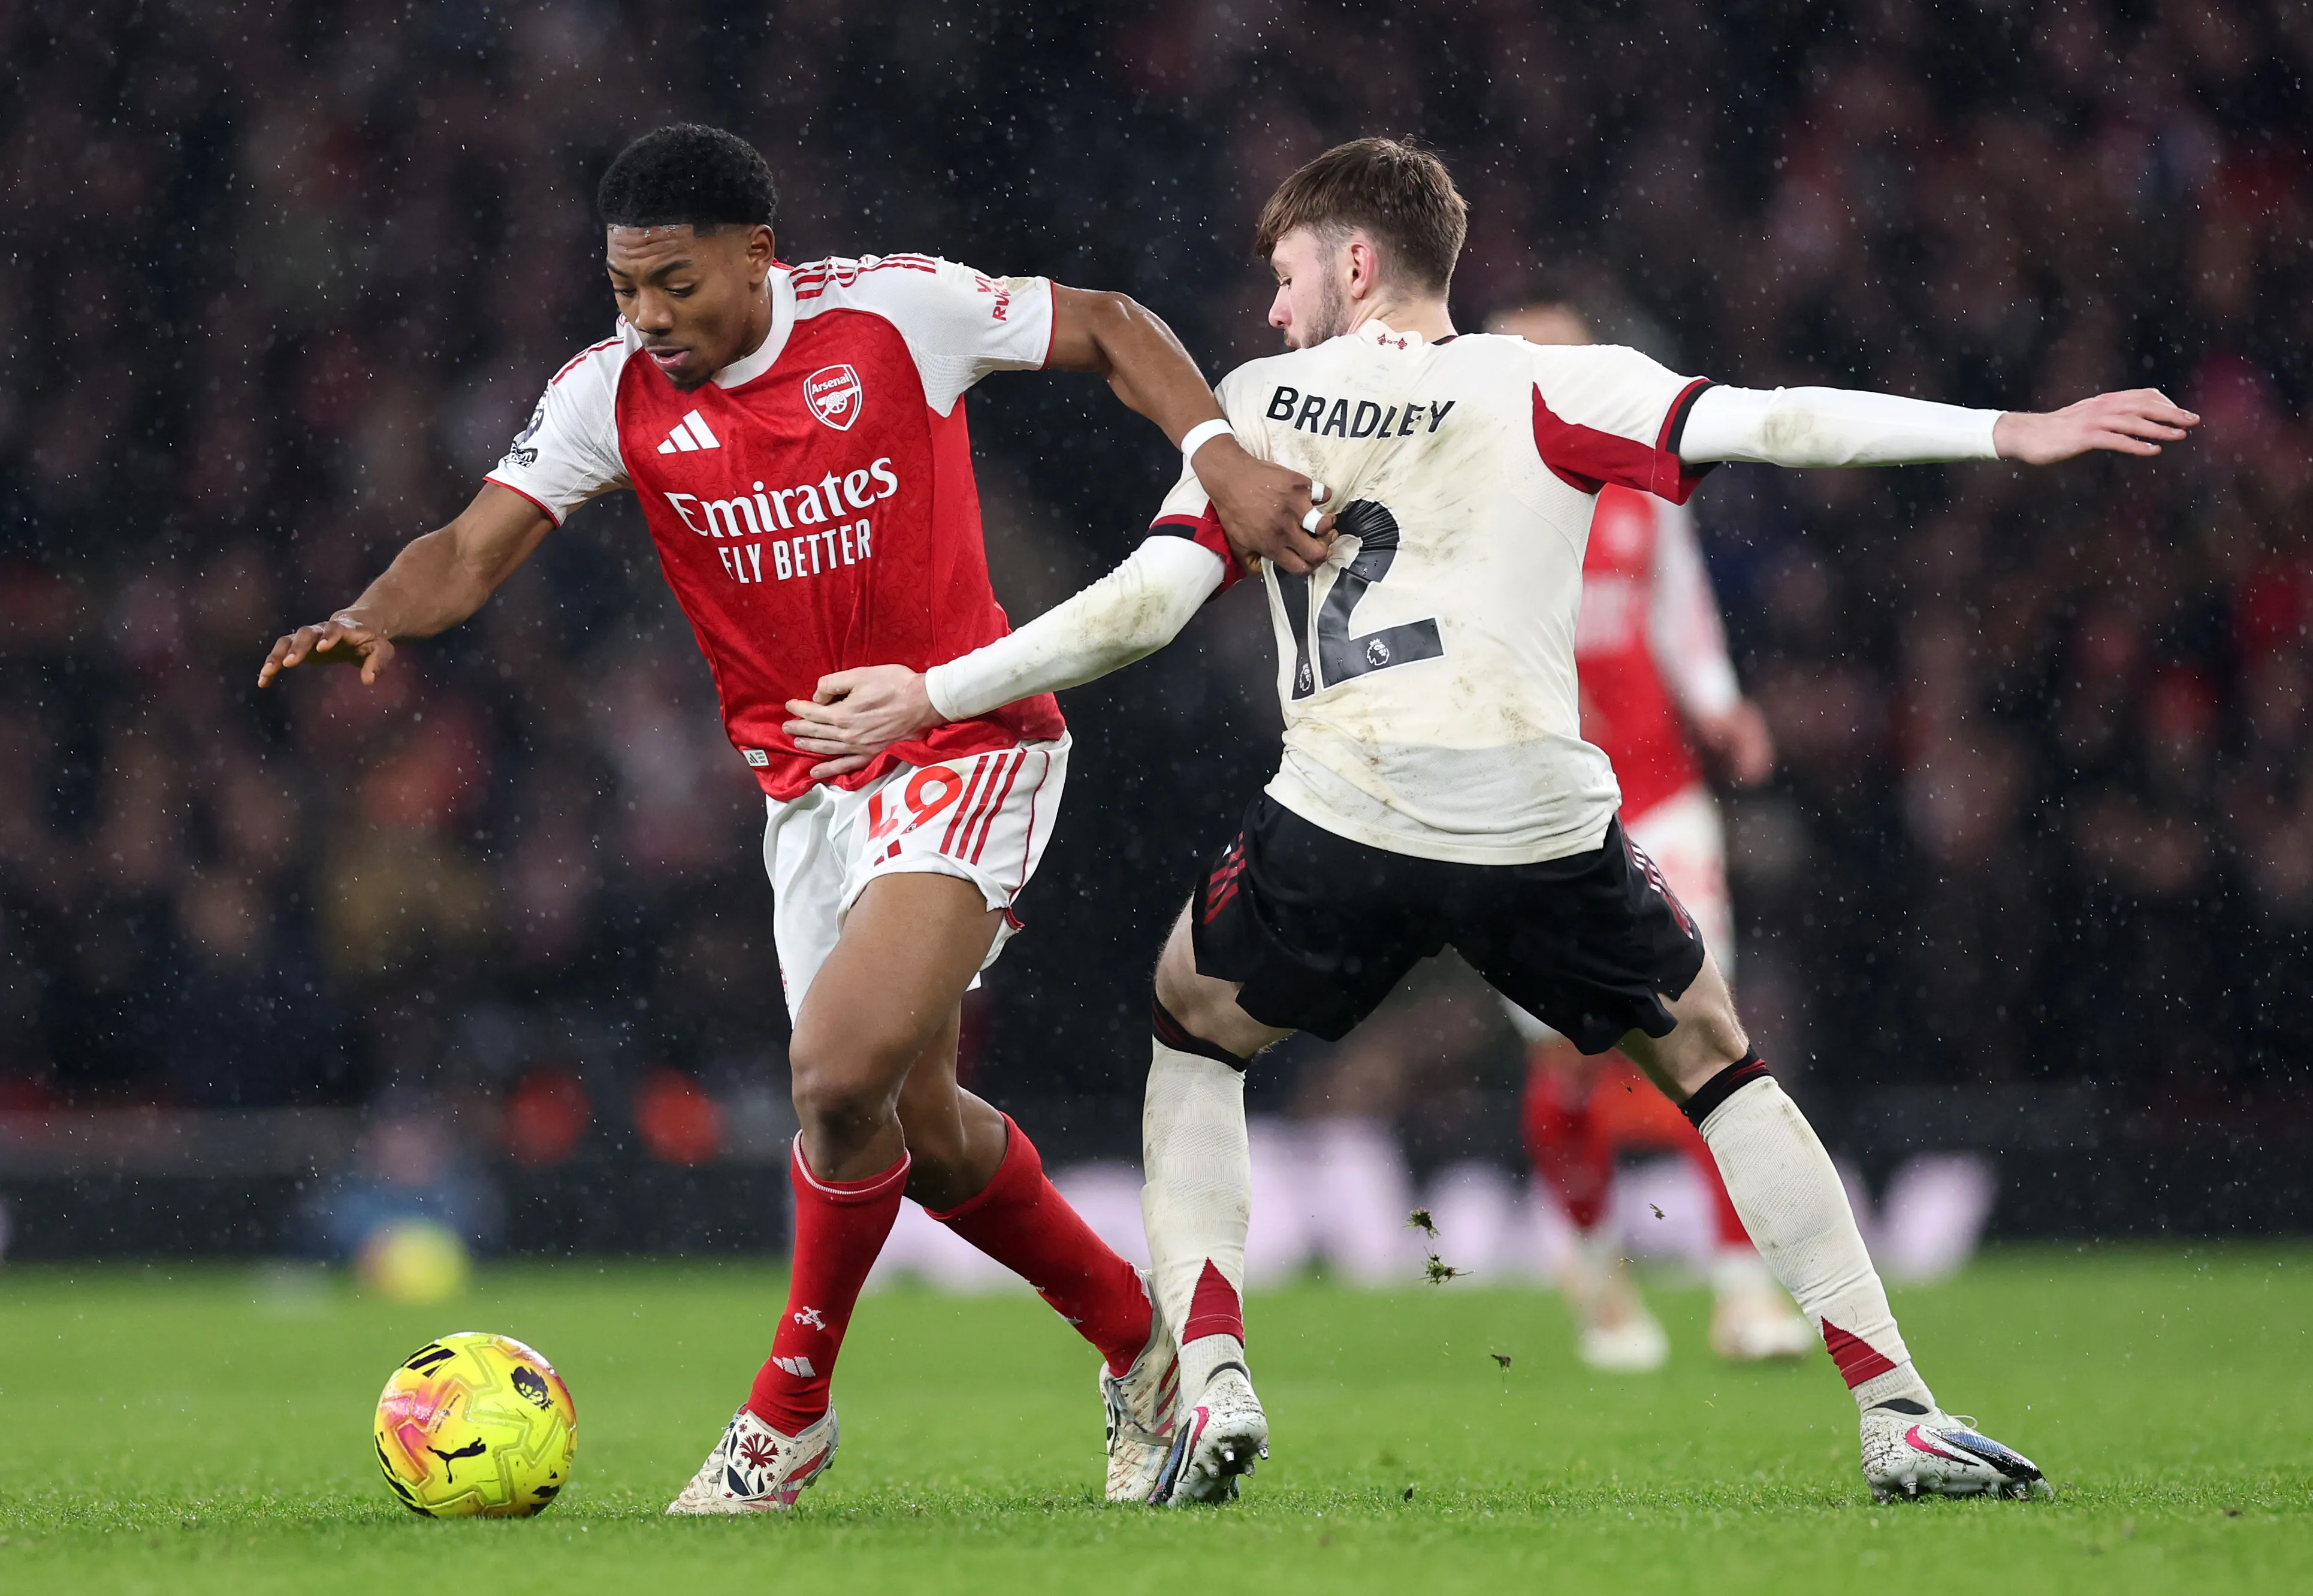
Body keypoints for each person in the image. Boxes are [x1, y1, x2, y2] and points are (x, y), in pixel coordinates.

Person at [785, 137, 2199, 1506]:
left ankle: (1208, 1377)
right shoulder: (1553, 382)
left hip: (1342, 814)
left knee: (1193, 1031)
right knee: (1715, 1061)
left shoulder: (1261, 401)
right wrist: (2006, 433)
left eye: (1285, 274)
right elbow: (1773, 420)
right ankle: (1896, 1410)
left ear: (1354, 263)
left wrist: (934, 691)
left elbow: (1143, 610)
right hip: (1534, 821)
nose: (1271, 309)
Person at [258, 123, 1335, 1513]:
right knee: (918, 1127)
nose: (650, 317)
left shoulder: (891, 315)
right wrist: (370, 613)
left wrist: (1219, 455)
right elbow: (468, 549)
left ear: (757, 256)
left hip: (962, 738)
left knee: (832, 1078)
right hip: (809, 793)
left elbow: (1110, 324)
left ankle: (788, 1415)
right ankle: (1141, 1350)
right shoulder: (606, 394)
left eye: (676, 283)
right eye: (625, 288)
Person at [1485, 297, 1811, 1373]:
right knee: (1568, 1057)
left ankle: (1741, 1292)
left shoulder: (1641, 481)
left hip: (1659, 791)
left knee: (1710, 1022)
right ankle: (1595, 1274)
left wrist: (1718, 701)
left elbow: (1679, 605)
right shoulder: (1469, 498)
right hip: (1532, 807)